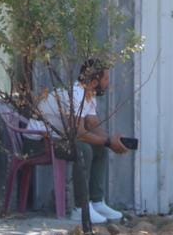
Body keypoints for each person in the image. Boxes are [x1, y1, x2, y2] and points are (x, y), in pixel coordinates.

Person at [41, 59, 128, 225]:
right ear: (94, 82)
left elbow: (93, 126)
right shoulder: (76, 94)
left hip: (57, 139)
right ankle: (80, 208)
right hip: (40, 142)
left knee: (100, 148)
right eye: (106, 79)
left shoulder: (88, 95)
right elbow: (79, 134)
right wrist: (108, 142)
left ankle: (97, 202)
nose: (108, 83)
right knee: (84, 149)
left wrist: (112, 140)